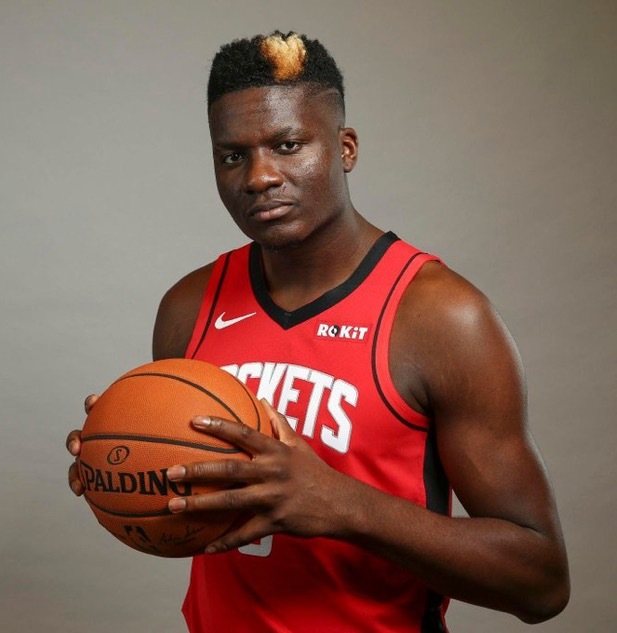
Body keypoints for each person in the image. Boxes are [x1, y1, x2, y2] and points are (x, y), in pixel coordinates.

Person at [67, 31, 569, 632]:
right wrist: (124, 466)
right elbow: (197, 512)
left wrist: (339, 503)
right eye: (232, 156)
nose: (259, 177)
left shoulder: (440, 318)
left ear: (345, 147)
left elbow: (541, 582)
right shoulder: (188, 306)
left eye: (287, 145)